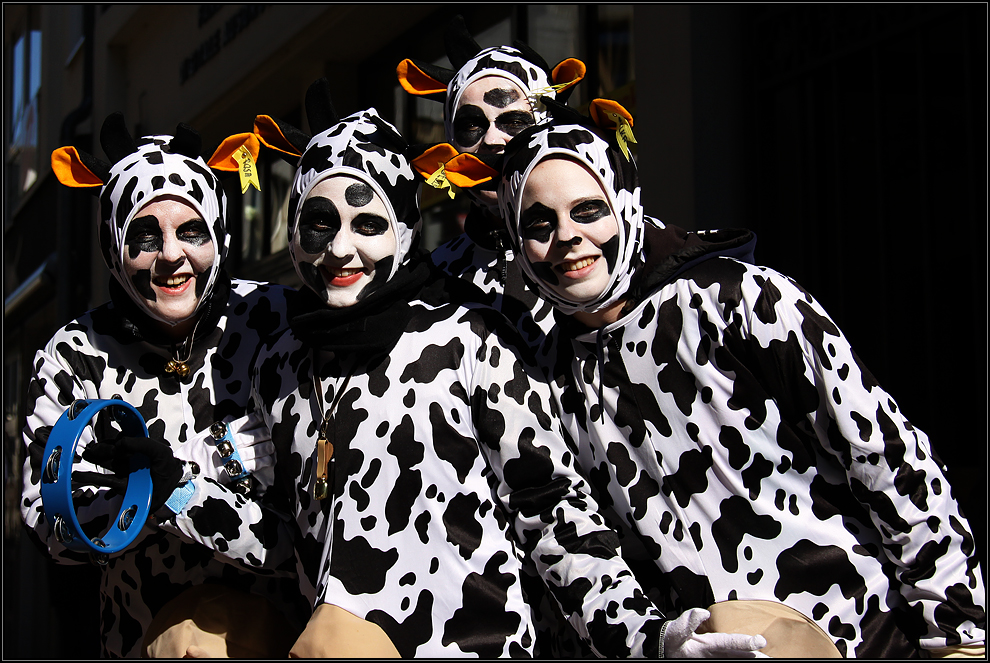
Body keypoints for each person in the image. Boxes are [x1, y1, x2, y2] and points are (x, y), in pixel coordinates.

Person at [157, 78, 768, 659]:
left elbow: (552, 509)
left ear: (402, 227)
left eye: (367, 224)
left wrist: (643, 638)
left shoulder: (470, 336)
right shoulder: (282, 361)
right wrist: (171, 487)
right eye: (319, 222)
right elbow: (281, 539)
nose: (340, 249)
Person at [443, 98, 988, 657]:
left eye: (588, 210)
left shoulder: (739, 299)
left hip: (872, 636)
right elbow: (569, 535)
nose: (567, 237)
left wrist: (956, 631)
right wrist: (653, 642)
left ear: (625, 203)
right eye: (539, 222)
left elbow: (886, 455)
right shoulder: (541, 372)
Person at [20, 113, 308, 657]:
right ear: (113, 249)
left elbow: (305, 533)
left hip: (277, 639)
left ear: (220, 237)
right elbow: (45, 522)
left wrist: (174, 492)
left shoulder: (275, 320)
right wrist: (141, 500)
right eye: (145, 237)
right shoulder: (74, 354)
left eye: (191, 231)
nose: (171, 256)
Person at [397, 15, 586, 352]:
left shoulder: (608, 248)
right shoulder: (432, 278)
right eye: (471, 125)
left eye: (514, 121)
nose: (493, 140)